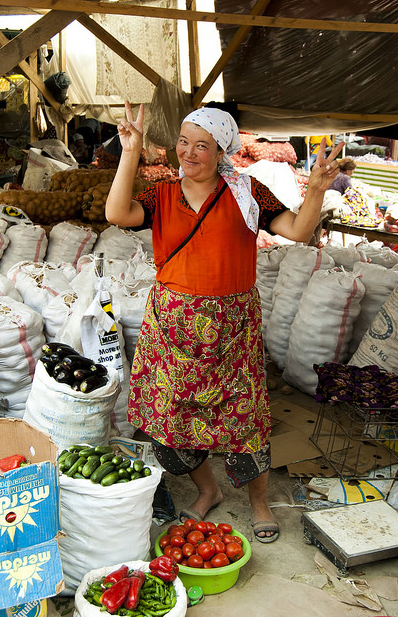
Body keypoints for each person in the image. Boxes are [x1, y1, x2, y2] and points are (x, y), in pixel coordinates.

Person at [105, 102, 344, 544]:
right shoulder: (162, 195)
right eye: (183, 142)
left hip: (232, 330)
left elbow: (297, 231)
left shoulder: (247, 192)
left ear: (222, 152)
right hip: (172, 329)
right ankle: (208, 490)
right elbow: (117, 215)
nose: (189, 153)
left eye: (202, 146)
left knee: (245, 417)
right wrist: (130, 152)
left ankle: (258, 502)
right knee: (175, 416)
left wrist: (316, 190)